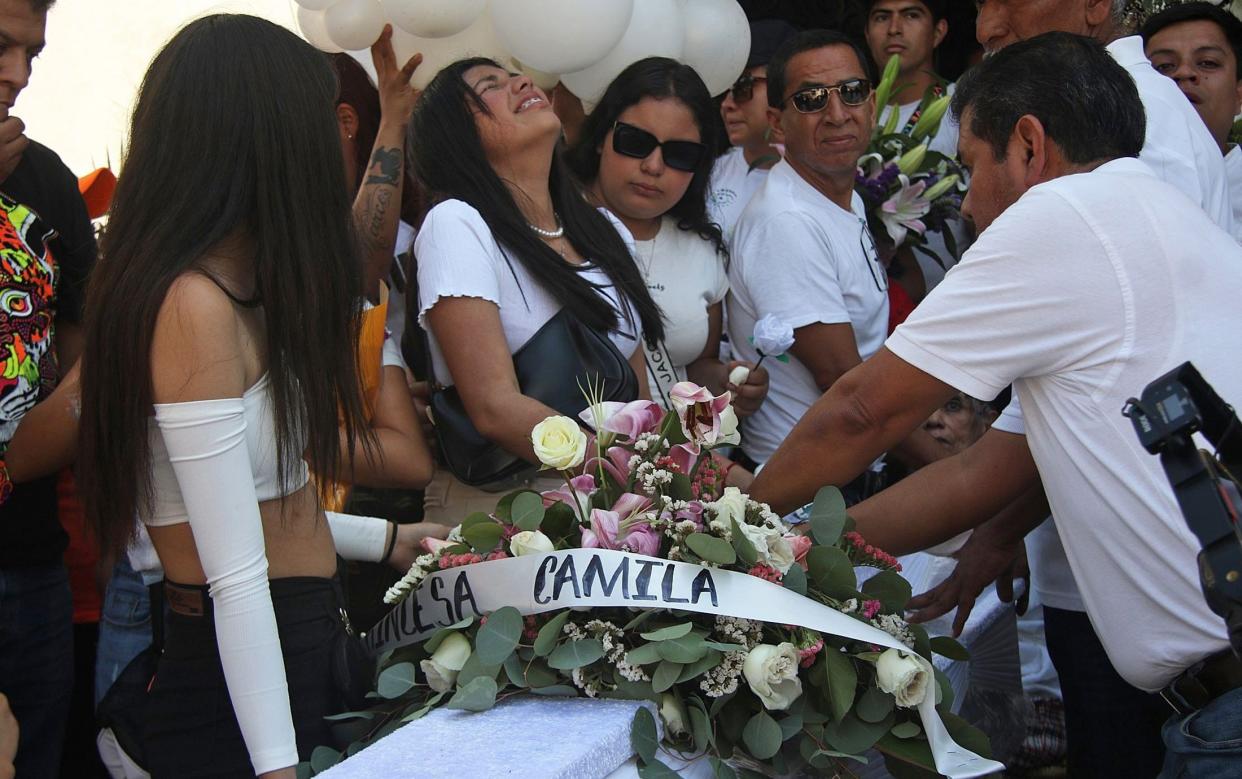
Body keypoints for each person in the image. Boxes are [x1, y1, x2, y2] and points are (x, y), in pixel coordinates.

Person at [750, 33, 1242, 776]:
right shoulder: (1151, 213)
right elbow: (983, 472)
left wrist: (733, 526)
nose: (971, 202)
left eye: (972, 167)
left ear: (1030, 146)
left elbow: (863, 411)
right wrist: (788, 552)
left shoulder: (1061, 218)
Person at [75, 15, 390, 777]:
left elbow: (263, 496)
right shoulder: (191, 303)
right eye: (317, 123)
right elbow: (235, 575)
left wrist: (387, 541)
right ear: (263, 137)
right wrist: (277, 767)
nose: (330, 145)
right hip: (244, 681)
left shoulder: (238, 285)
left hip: (289, 648)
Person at [409, 57, 664, 524]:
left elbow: (633, 402)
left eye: (516, 76)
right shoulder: (457, 223)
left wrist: (655, 485)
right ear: (454, 134)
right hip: (506, 512)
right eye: (492, 85)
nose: (524, 82)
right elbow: (493, 407)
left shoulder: (605, 228)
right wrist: (632, 475)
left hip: (614, 509)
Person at [725, 29, 941, 484]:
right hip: (810, 494)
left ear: (872, 103)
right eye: (811, 100)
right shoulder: (787, 221)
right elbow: (849, 387)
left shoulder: (843, 196)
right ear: (778, 122)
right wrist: (953, 467)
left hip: (852, 469)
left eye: (852, 92)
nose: (838, 114)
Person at [0, 0, 97, 775]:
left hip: (31, 561)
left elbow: (81, 370)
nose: (17, 75)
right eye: (1, 46)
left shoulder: (47, 178)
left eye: (31, 53)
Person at [567, 57, 768, 417]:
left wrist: (726, 381)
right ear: (601, 138)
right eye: (635, 141)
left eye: (679, 153)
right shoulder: (549, 227)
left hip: (667, 460)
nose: (653, 166)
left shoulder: (703, 250)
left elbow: (695, 365)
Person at [975, 0, 1234, 235]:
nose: (985, 30)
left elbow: (1153, 273)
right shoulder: (1110, 102)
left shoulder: (1140, 111)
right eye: (980, 4)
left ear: (1095, 4)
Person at [863, 0, 965, 292]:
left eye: (911, 15)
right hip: (872, 302)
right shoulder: (849, 113)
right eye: (882, 17)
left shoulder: (964, 106)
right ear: (867, 33)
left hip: (946, 300)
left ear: (938, 31)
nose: (894, 29)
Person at [1141, 2, 1242, 243]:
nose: (1184, 73)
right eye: (1164, 66)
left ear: (1239, 95)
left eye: (1208, 62)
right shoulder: (1118, 180)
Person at [708, 19, 797, 246]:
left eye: (742, 86)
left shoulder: (823, 179)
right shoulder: (708, 174)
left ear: (785, 88)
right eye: (724, 90)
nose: (726, 104)